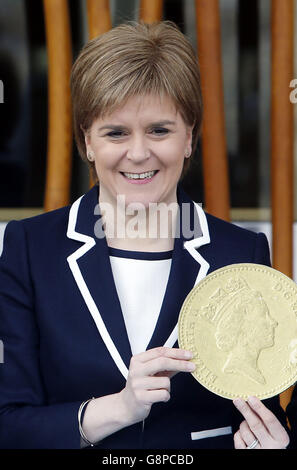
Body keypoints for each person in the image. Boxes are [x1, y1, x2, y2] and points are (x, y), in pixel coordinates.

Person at [0, 21, 290, 450]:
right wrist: (119, 407)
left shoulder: (241, 251)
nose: (138, 153)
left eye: (159, 130)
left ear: (189, 137)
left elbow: (263, 413)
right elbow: (9, 426)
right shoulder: (31, 248)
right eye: (116, 132)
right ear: (87, 142)